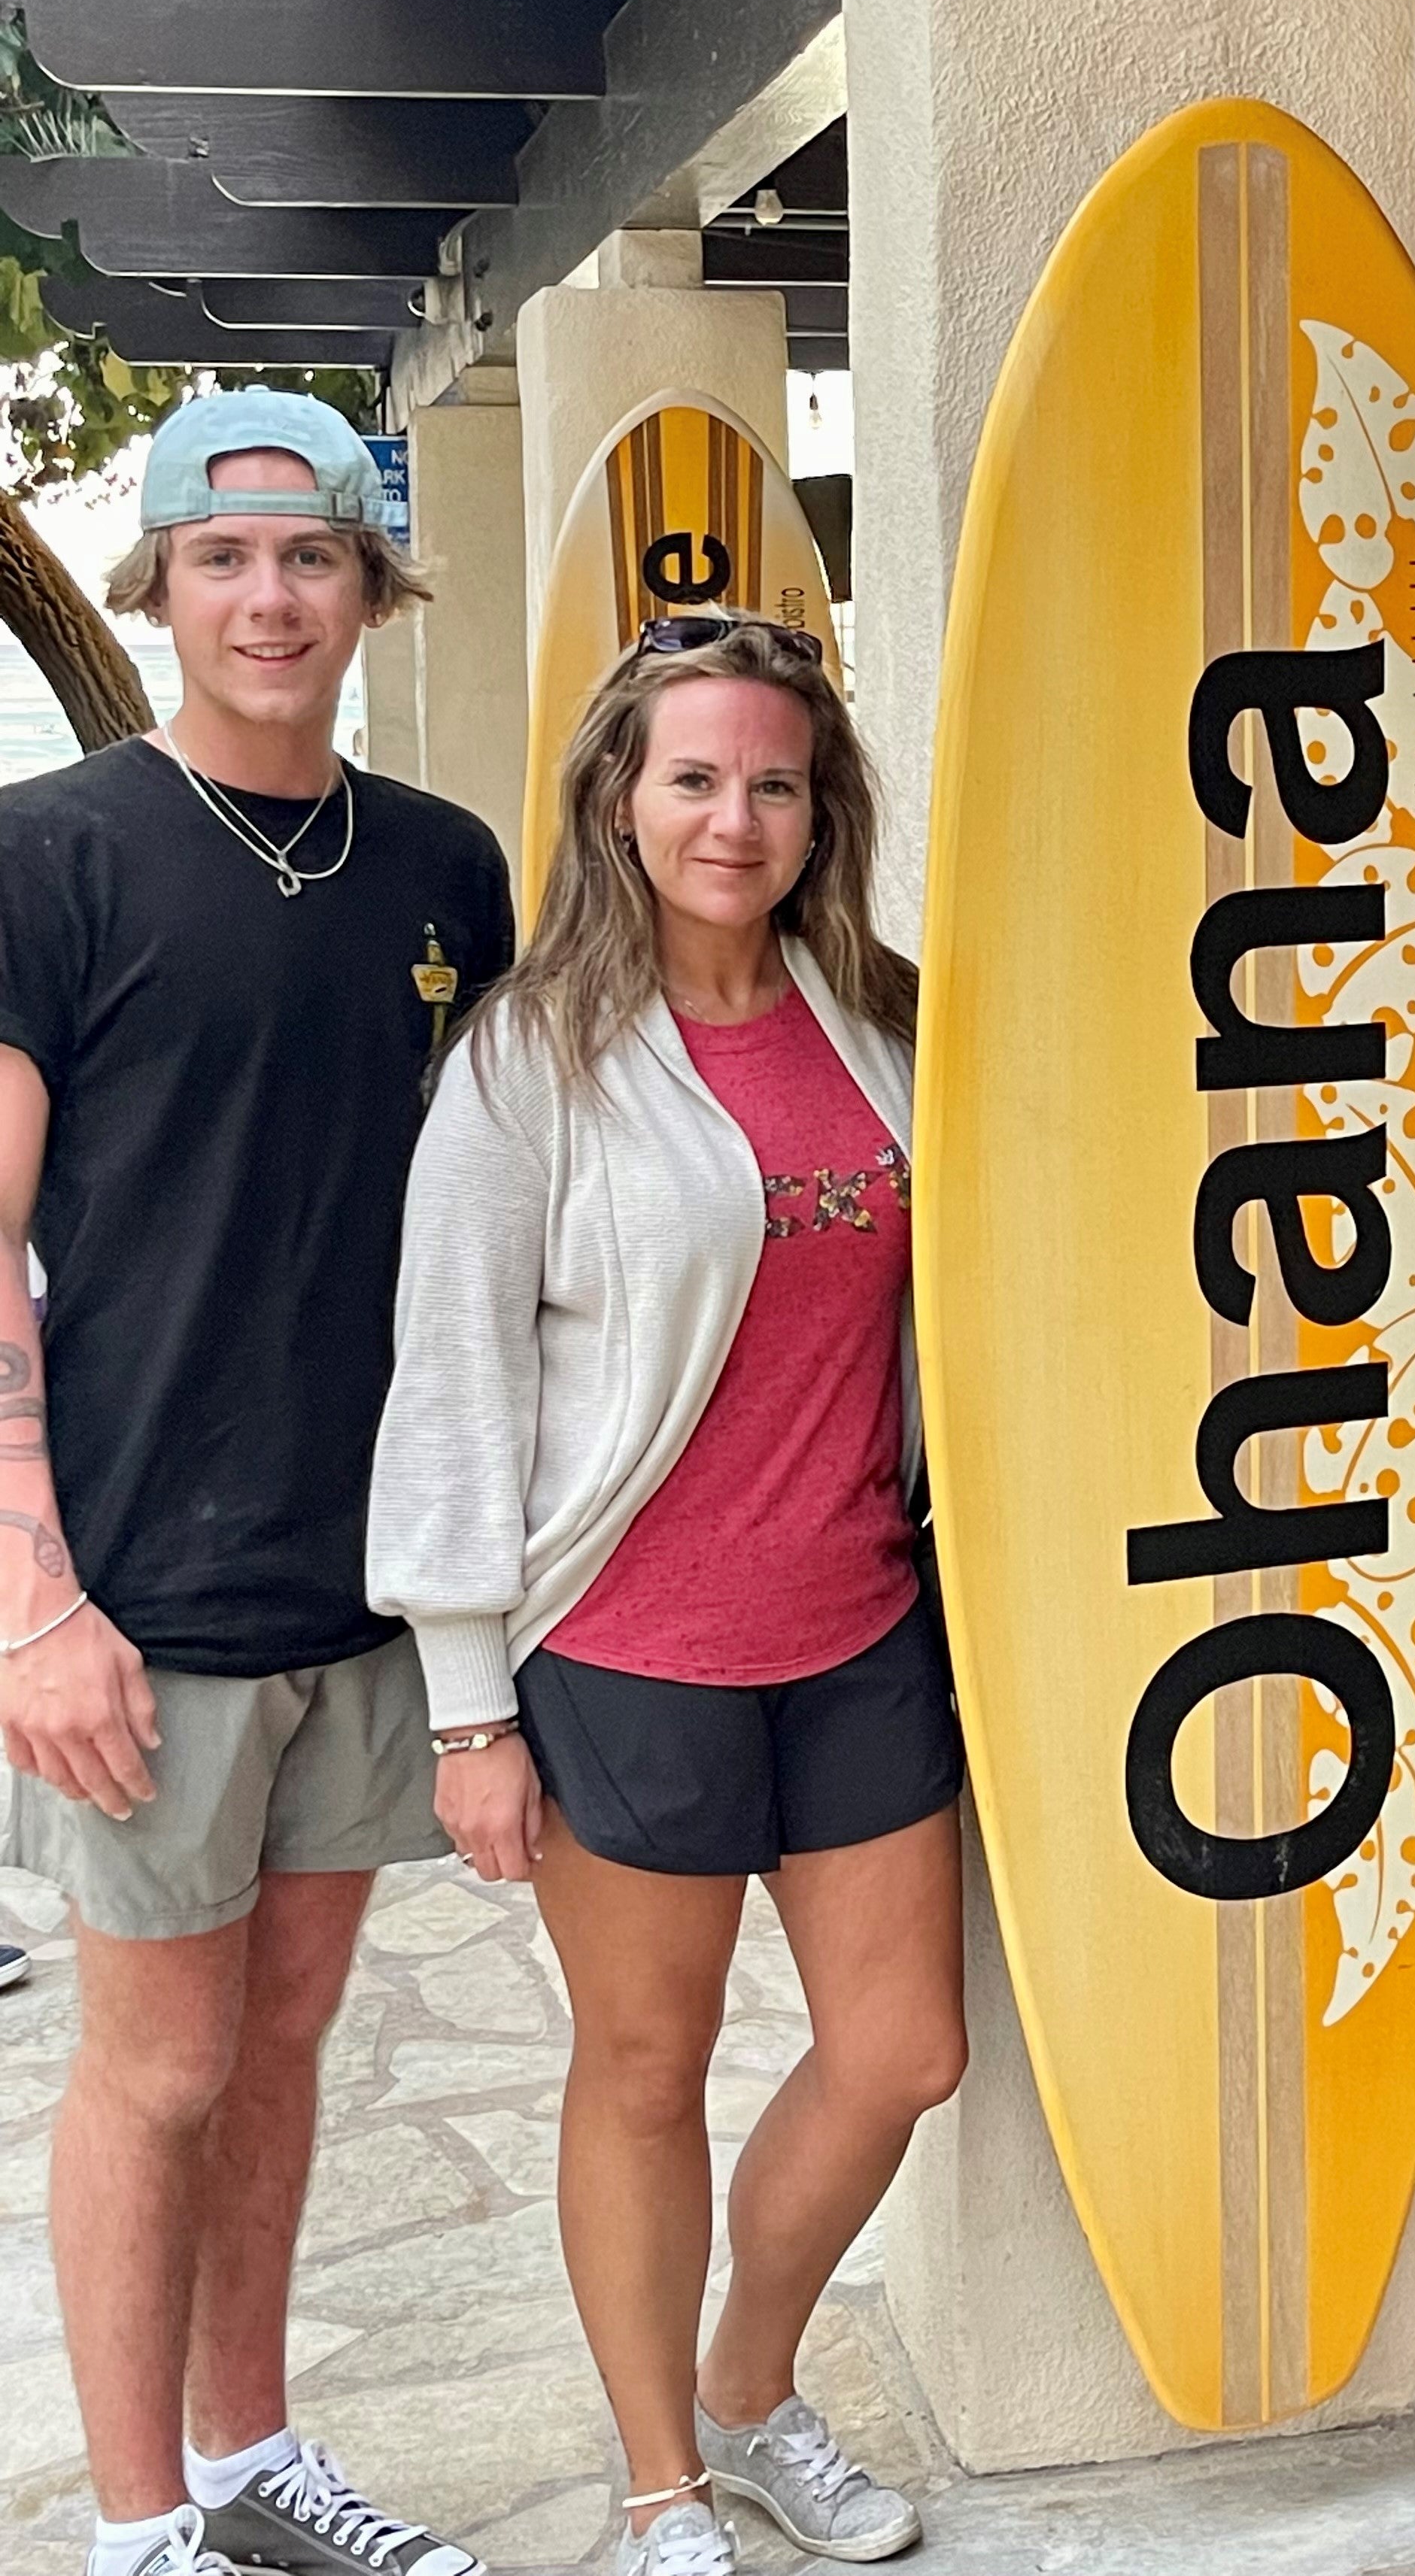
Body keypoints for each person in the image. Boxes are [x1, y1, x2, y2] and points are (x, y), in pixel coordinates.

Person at [366, 614, 963, 2576]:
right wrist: (468, 1703)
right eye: (692, 776)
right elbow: (449, 1379)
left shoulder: (879, 1013)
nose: (734, 815)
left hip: (861, 1624)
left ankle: (749, 2385)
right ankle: (656, 2486)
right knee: (643, 2077)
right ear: (619, 799)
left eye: (773, 779)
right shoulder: (533, 1060)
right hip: (628, 1651)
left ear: (821, 806)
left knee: (902, 2052)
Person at [0, 389, 513, 2576]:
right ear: (163, 588)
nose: (270, 598)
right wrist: (33, 1591)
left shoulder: (443, 869)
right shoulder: (53, 853)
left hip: (369, 1582)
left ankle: (243, 2460)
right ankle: (135, 2530)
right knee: (158, 2070)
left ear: (373, 585)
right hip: (137, 1590)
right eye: (223, 559)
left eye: (311, 558)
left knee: (287, 2042)